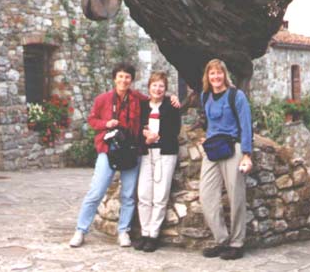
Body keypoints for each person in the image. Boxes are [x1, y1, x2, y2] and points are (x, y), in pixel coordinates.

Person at [69, 62, 178, 248]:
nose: (123, 80)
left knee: (129, 195)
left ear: (131, 80)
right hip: (108, 149)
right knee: (96, 192)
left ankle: (123, 231)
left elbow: (156, 96)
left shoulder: (137, 98)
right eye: (120, 76)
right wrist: (106, 124)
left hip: (131, 150)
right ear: (114, 78)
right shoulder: (103, 99)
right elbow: (92, 120)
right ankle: (80, 230)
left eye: (127, 77)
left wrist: (172, 98)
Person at [199, 58, 253, 260]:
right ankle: (221, 239)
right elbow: (209, 122)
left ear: (225, 74)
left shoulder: (236, 96)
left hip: (234, 147)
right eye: (212, 73)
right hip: (213, 149)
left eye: (219, 73)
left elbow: (246, 125)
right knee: (206, 195)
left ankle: (237, 243)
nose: (216, 77)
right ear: (208, 76)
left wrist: (247, 154)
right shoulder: (206, 97)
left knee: (236, 195)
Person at [133, 71, 181, 253]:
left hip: (165, 153)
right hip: (146, 153)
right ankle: (144, 232)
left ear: (166, 89)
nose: (158, 89)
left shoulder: (171, 105)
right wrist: (145, 136)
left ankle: (153, 235)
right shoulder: (143, 105)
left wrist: (157, 137)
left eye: (161, 85)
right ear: (149, 87)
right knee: (144, 194)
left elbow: (175, 130)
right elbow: (137, 128)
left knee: (160, 196)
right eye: (154, 85)